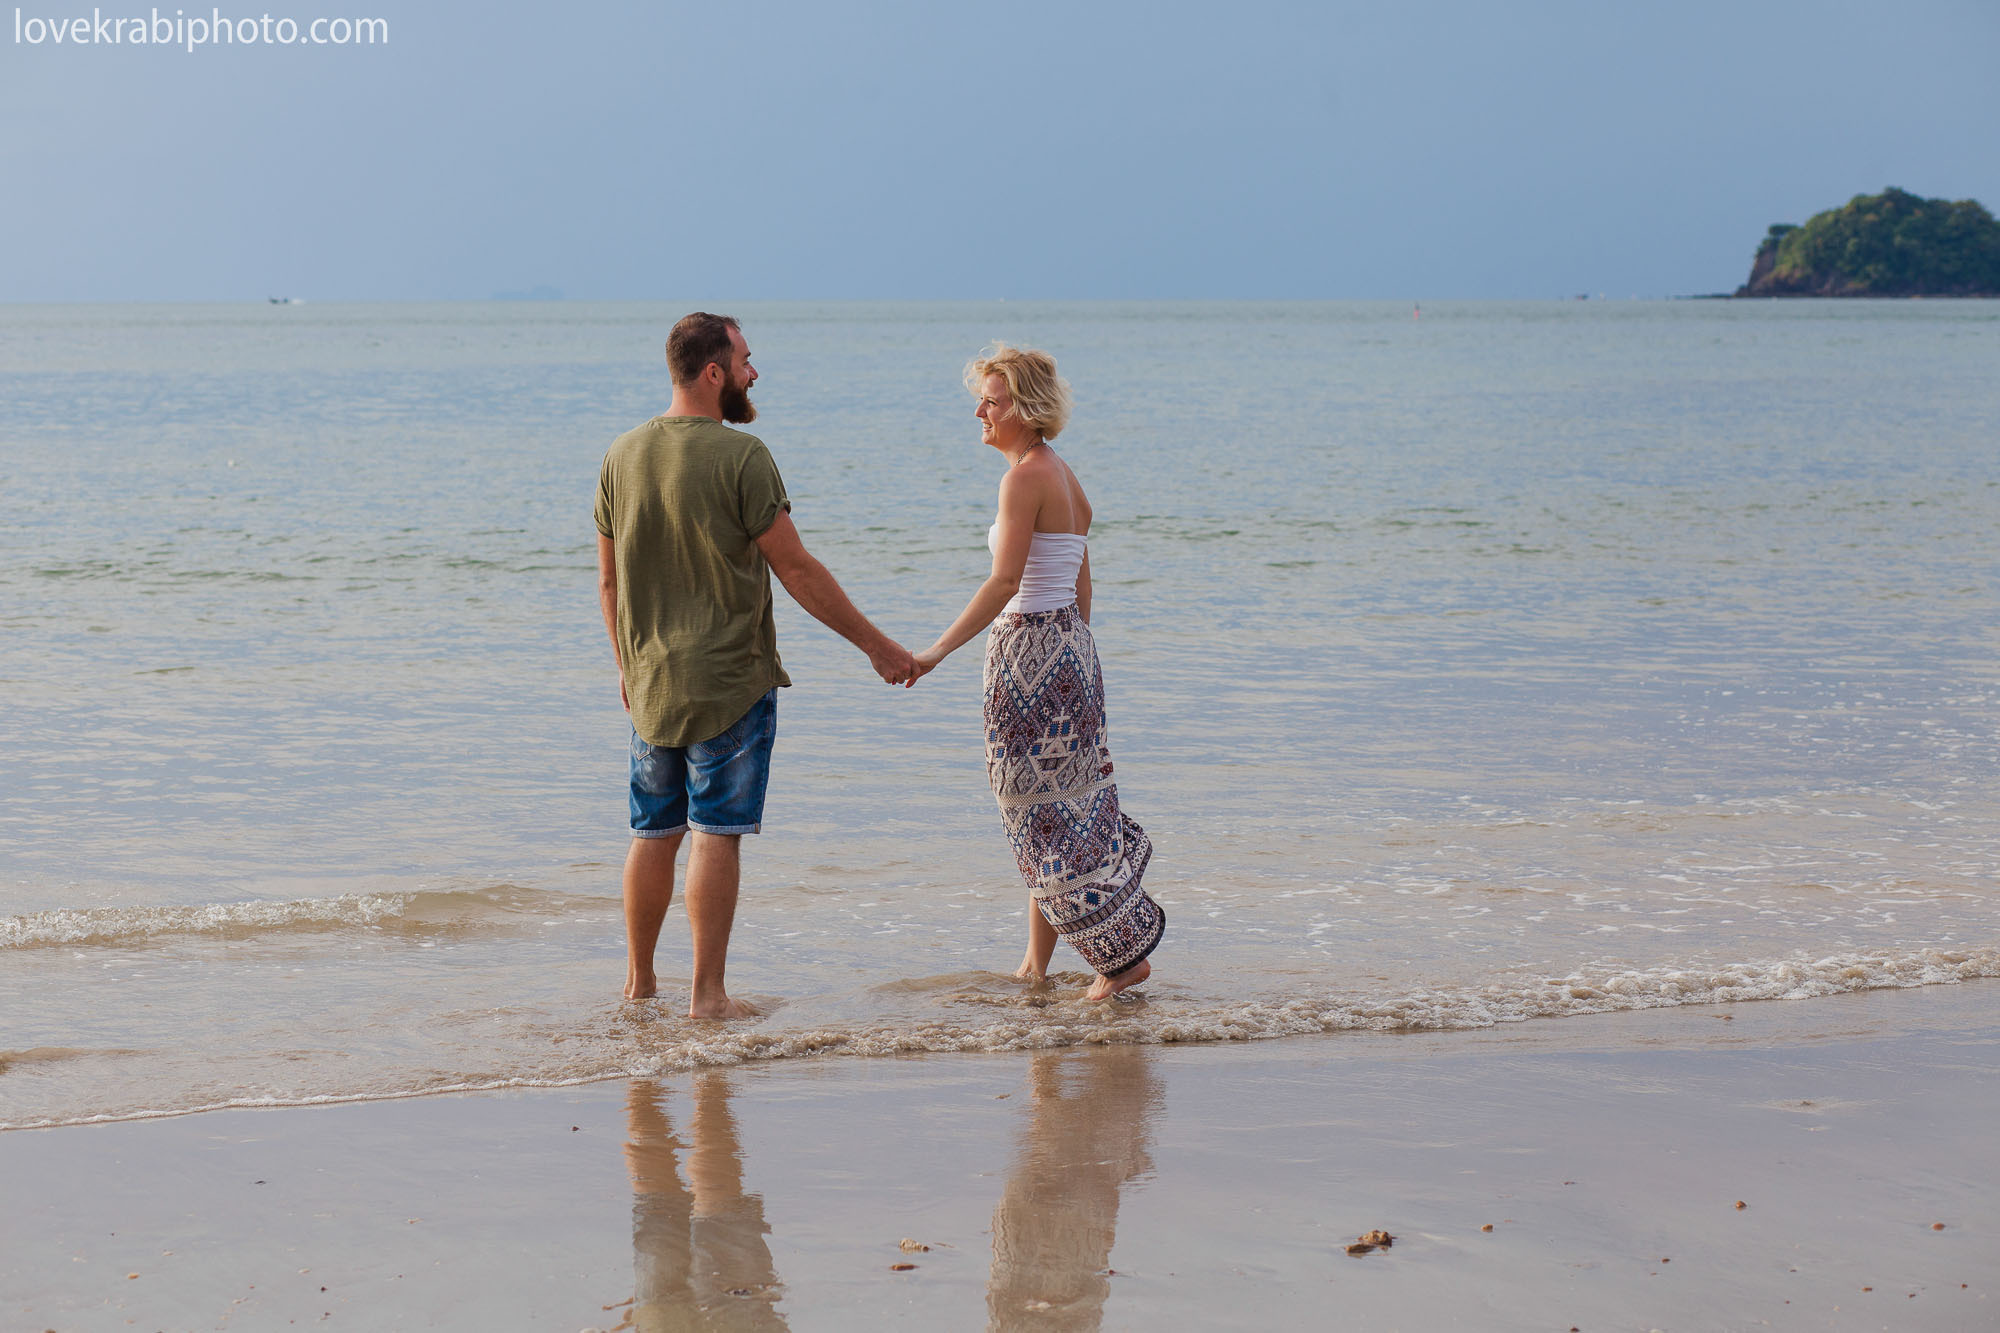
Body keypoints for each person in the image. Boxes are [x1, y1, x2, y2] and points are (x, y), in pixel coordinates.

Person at [595, 312, 916, 1017]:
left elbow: (610, 582)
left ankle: (639, 985)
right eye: (744, 359)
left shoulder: (621, 454)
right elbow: (796, 569)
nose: (753, 371)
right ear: (713, 371)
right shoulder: (743, 457)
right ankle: (707, 995)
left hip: (650, 681)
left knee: (652, 832)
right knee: (715, 831)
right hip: (730, 680)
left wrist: (626, 663)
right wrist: (878, 646)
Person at [909, 345, 1164, 1000]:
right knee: (1060, 809)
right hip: (1072, 651)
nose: (980, 412)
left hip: (1029, 651)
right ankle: (1036, 966)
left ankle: (1119, 958)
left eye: (991, 402)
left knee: (1032, 813)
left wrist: (936, 651)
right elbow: (1081, 586)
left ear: (1022, 408)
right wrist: (1074, 660)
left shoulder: (1022, 480)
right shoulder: (1066, 478)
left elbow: (1005, 581)